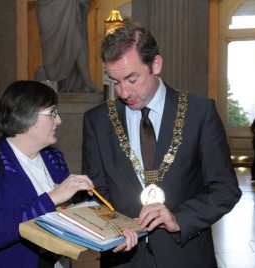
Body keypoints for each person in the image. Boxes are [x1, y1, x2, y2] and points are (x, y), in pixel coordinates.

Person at [82, 22, 242, 267]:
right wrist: (111, 231)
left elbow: (225, 189)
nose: (124, 92)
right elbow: (96, 195)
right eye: (115, 81)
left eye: (131, 78)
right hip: (124, 259)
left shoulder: (199, 112)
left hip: (186, 255)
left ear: (155, 65)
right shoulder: (98, 121)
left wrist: (179, 219)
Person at [0, 81, 134, 267]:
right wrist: (51, 198)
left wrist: (115, 233)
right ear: (24, 115)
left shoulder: (54, 158)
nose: (58, 120)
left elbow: (70, 218)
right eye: (52, 113)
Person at [36, 0, 97, 92]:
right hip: (49, 9)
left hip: (68, 7)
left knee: (78, 42)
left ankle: (87, 81)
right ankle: (52, 78)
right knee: (52, 49)